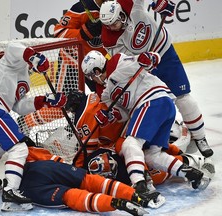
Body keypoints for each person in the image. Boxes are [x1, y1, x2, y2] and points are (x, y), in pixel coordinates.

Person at [81, 50, 211, 194]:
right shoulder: (106, 93)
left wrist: (150, 58)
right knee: (151, 155)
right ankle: (191, 174)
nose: (92, 79)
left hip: (152, 101)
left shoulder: (118, 63)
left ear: (97, 70)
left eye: (91, 75)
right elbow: (123, 114)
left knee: (130, 144)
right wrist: (109, 116)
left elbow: (149, 59)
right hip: (163, 107)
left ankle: (139, 184)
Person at [98, 0, 213, 158]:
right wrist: (140, 60)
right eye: (108, 25)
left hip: (164, 51)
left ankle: (200, 138)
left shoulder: (128, 3)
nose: (111, 28)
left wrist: (161, 3)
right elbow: (122, 60)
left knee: (184, 97)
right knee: (156, 104)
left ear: (121, 15)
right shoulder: (108, 39)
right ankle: (157, 145)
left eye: (114, 23)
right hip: (146, 68)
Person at [0, 41, 67, 210]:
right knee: (19, 148)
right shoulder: (12, 61)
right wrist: (35, 57)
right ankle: (11, 190)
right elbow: (14, 48)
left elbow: (18, 107)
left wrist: (44, 100)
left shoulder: (25, 80)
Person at [18, 145, 162, 214]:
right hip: (44, 166)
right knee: (89, 180)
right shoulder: (24, 148)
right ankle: (135, 196)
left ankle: (115, 203)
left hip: (27, 183)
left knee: (70, 196)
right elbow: (50, 157)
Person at [54, 0, 108, 92]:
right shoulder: (80, 8)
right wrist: (83, 33)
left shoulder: (118, 7)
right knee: (64, 101)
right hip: (72, 60)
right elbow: (58, 32)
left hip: (97, 64)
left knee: (107, 96)